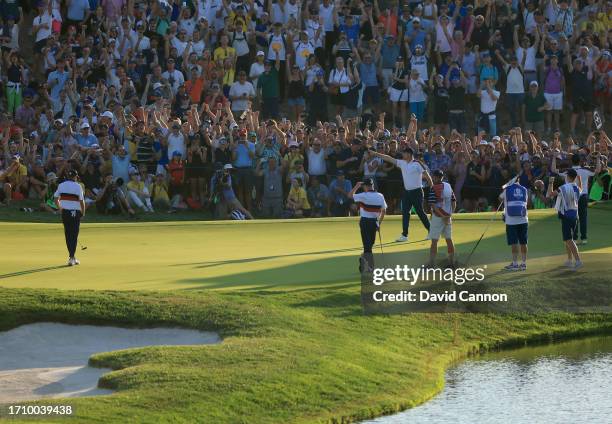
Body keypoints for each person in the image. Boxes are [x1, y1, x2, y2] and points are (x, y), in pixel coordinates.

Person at [372, 145, 432, 242]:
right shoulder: (402, 163)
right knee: (405, 213)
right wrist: (376, 154)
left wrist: (432, 188)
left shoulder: (417, 163)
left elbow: (427, 176)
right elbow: (389, 158)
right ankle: (404, 235)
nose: (402, 154)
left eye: (404, 153)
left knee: (420, 212)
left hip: (417, 192)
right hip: (407, 192)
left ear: (409, 154)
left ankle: (431, 231)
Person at [552, 152, 601, 245]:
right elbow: (598, 170)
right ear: (580, 161)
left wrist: (554, 157)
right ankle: (584, 239)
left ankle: (574, 239)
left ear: (571, 161)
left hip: (571, 196)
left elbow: (553, 169)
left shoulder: (567, 171)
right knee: (583, 217)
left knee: (573, 217)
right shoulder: (585, 170)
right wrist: (598, 158)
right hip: (582, 196)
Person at [547, 168, 583, 270]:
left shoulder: (563, 187)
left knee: (568, 239)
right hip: (574, 216)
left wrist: (550, 182)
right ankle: (569, 260)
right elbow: (581, 188)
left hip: (566, 216)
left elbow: (550, 194)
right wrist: (579, 179)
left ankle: (578, 261)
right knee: (568, 239)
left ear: (568, 176)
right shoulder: (576, 188)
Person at [349, 178, 387, 273]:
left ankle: (364, 259)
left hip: (365, 222)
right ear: (372, 186)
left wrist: (357, 186)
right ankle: (370, 267)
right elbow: (384, 211)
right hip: (374, 222)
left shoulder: (363, 195)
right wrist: (379, 223)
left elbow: (349, 195)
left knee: (368, 245)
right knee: (369, 245)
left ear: (366, 186)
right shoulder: (380, 195)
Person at [54, 169, 86, 266]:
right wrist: (83, 213)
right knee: (74, 235)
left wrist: (60, 208)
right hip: (75, 213)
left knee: (68, 235)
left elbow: (55, 198)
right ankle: (72, 257)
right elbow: (81, 201)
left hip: (65, 213)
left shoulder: (61, 185)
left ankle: (72, 257)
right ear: (75, 177)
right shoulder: (78, 186)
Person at [426, 170, 456, 268]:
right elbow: (454, 202)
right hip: (447, 217)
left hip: (438, 217)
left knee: (434, 241)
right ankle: (451, 263)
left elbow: (433, 205)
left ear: (437, 177)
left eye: (433, 177)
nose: (432, 178)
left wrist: (442, 216)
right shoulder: (448, 186)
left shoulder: (433, 188)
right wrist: (449, 215)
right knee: (449, 239)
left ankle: (431, 264)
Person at [499, 179, 529, 271]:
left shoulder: (507, 189)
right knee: (523, 242)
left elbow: (500, 198)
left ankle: (515, 264)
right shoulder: (524, 189)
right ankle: (523, 264)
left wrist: (505, 188)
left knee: (514, 242)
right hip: (523, 219)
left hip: (511, 221)